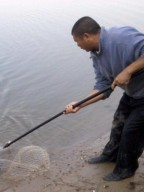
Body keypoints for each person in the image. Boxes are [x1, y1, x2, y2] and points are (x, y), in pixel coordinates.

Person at [65, 16, 144, 181]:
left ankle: (126, 169)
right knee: (118, 124)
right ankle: (111, 156)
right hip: (133, 92)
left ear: (87, 36)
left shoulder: (122, 38)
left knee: (132, 132)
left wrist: (128, 70)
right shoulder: (96, 54)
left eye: (77, 41)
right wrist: (80, 104)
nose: (77, 45)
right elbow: (103, 86)